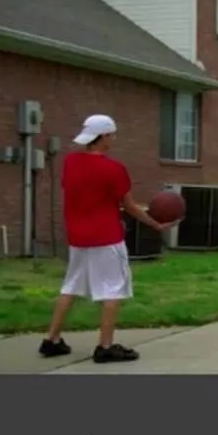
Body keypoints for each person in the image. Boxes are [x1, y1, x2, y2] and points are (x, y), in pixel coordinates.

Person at [39, 114, 177, 364]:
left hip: (78, 238)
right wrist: (156, 224)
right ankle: (105, 347)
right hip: (106, 238)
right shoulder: (113, 169)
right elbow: (130, 207)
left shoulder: (70, 162)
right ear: (102, 136)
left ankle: (51, 340)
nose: (113, 139)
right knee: (112, 290)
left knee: (70, 287)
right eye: (112, 135)